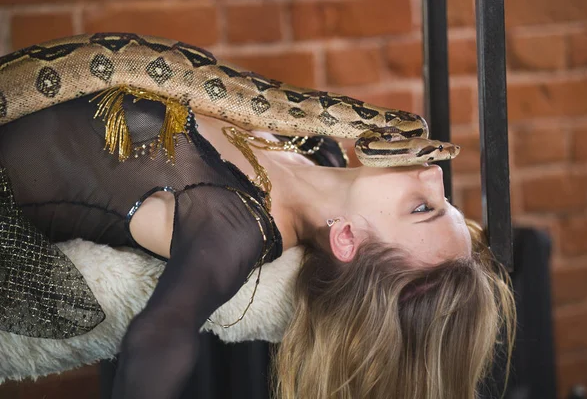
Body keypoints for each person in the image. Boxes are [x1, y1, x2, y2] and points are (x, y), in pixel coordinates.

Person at [0, 52, 515, 399]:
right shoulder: (321, 145)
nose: (431, 171)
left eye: (420, 208)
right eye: (444, 200)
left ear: (346, 238)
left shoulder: (232, 225)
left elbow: (158, 337)